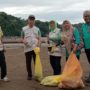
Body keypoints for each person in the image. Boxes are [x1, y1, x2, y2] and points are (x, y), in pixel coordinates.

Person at [21, 15, 41, 80]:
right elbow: (21, 38)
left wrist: (38, 45)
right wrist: (24, 41)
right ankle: (29, 75)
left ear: (34, 21)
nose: (31, 21)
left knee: (36, 62)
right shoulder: (23, 29)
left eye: (33, 20)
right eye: (30, 20)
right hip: (27, 48)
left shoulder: (37, 29)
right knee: (28, 62)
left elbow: (40, 38)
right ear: (28, 20)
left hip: (35, 48)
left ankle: (37, 75)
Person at [81, 10, 90, 85]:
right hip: (87, 48)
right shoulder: (83, 26)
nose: (87, 17)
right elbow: (84, 36)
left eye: (88, 16)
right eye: (85, 16)